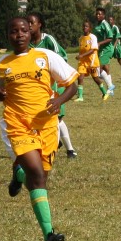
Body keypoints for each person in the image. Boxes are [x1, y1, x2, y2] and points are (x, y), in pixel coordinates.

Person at [0, 17, 78, 241]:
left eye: (23, 30)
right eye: (13, 31)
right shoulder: (3, 64)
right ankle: (49, 236)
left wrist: (58, 101)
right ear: (7, 35)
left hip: (47, 126)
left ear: (31, 33)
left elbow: (72, 84)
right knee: (37, 175)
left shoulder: (45, 57)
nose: (19, 35)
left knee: (39, 179)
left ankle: (18, 174)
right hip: (18, 125)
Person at [27, 11, 76, 158]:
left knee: (57, 117)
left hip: (52, 85)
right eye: (27, 23)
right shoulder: (27, 43)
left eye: (32, 23)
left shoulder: (48, 40)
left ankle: (69, 149)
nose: (29, 25)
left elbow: (62, 58)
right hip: (35, 87)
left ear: (39, 24)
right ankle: (56, 144)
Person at [76, 20, 107, 102]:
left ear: (90, 28)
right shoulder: (81, 38)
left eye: (86, 26)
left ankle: (104, 92)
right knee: (80, 77)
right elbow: (81, 49)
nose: (84, 27)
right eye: (84, 26)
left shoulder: (93, 37)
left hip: (92, 61)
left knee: (95, 78)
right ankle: (80, 97)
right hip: (83, 62)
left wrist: (82, 55)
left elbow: (93, 50)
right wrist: (79, 56)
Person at [91, 7, 117, 97]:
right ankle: (111, 88)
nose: (97, 15)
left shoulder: (105, 24)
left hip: (107, 49)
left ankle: (110, 86)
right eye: (96, 14)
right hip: (100, 49)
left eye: (100, 14)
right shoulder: (97, 25)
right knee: (105, 69)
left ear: (103, 15)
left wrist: (99, 43)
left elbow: (110, 38)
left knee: (98, 68)